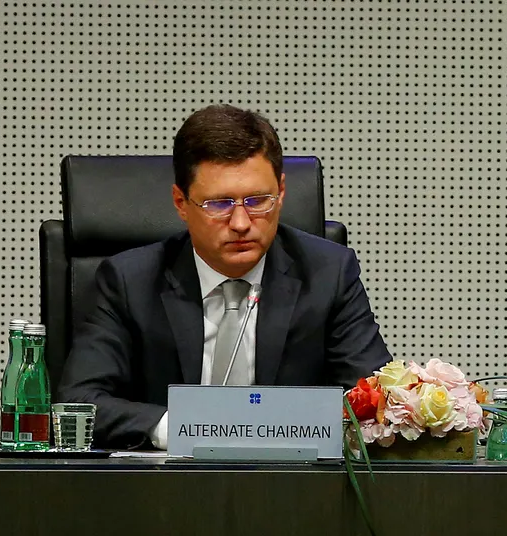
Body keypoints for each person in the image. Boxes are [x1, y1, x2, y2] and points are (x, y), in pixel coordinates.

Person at [59, 104, 391, 449]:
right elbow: (79, 401)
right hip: (165, 488)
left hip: (291, 486)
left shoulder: (329, 274)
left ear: (281, 192)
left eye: (258, 200)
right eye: (219, 204)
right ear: (180, 202)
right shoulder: (129, 281)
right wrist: (182, 429)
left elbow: (372, 398)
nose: (241, 223)